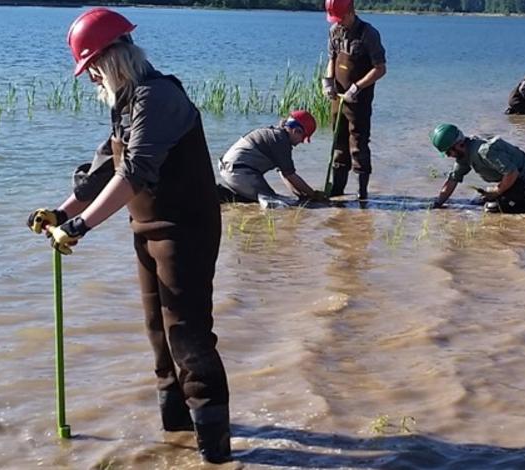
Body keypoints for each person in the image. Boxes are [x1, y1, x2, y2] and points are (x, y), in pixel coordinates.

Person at [25, 7, 231, 463]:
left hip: (185, 232)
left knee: (188, 335)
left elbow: (135, 172)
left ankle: (215, 451)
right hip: (147, 231)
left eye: (92, 69)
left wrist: (80, 227)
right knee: (158, 334)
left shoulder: (158, 97)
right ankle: (176, 436)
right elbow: (104, 170)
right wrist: (60, 211)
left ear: (112, 58)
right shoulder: (128, 102)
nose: (91, 79)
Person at [322, 0, 386, 200]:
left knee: (358, 145)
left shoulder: (369, 34)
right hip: (338, 98)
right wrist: (328, 82)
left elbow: (380, 69)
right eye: (335, 19)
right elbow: (332, 59)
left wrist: (357, 87)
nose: (338, 22)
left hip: (360, 99)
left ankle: (361, 193)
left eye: (340, 18)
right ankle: (338, 191)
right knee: (338, 143)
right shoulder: (334, 31)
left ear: (351, 12)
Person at [428, 123, 525, 214]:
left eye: (449, 153)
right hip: (513, 181)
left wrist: (496, 191)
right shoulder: (464, 156)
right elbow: (452, 180)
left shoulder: (485, 151)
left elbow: (512, 172)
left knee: (493, 209)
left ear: (458, 145)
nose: (448, 156)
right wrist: (438, 203)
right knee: (476, 202)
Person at [217, 110, 325, 205]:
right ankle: (217, 194)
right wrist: (313, 194)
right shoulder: (281, 141)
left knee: (252, 201)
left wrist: (300, 195)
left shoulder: (277, 135)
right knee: (273, 202)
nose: (302, 141)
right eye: (303, 137)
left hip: (230, 169)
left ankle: (220, 194)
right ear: (296, 130)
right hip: (239, 171)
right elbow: (290, 175)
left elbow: (284, 173)